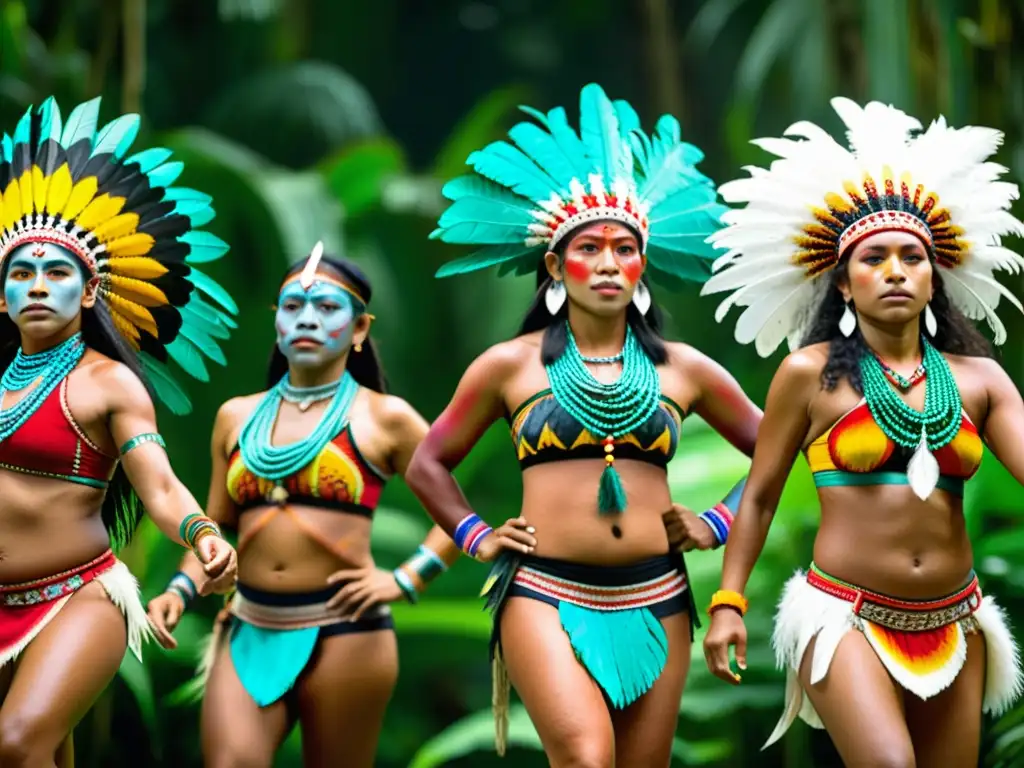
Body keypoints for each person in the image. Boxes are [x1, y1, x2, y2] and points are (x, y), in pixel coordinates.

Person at [405, 83, 762, 767]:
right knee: (584, 755)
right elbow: (428, 462)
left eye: (623, 249)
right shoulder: (507, 368)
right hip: (544, 590)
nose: (606, 263)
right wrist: (475, 535)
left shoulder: (685, 370)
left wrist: (718, 521)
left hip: (659, 593)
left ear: (643, 264)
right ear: (553, 264)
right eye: (589, 247)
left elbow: (781, 449)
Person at [700, 97, 1024, 766]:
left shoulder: (981, 381)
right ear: (843, 285)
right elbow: (758, 495)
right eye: (874, 258)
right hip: (842, 615)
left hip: (955, 619)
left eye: (913, 256)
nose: (896, 270)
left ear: (936, 278)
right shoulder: (808, 375)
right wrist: (728, 599)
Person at [146, 242, 460, 768]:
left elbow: (456, 517)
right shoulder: (236, 417)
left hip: (346, 632)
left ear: (360, 330)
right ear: (277, 321)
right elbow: (215, 523)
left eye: (328, 308)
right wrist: (181, 588)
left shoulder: (386, 418)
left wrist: (405, 580)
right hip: (248, 622)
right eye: (293, 307)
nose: (308, 319)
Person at [0, 95, 239, 767]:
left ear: (90, 290)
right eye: (22, 273)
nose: (39, 286)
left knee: (18, 744)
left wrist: (203, 535)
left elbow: (159, 485)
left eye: (57, 272)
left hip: (78, 596)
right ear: (1, 295)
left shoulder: (110, 384)